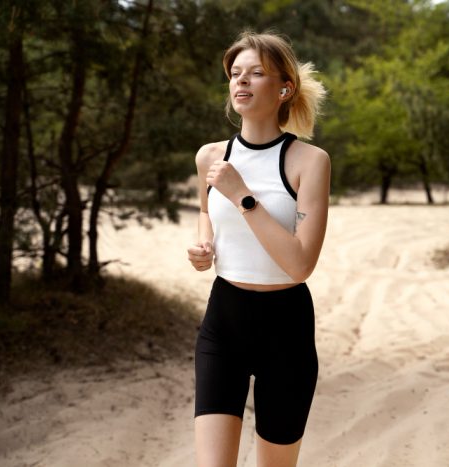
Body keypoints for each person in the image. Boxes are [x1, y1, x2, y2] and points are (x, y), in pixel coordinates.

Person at [186, 31, 330, 467]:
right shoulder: (210, 156)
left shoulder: (309, 161)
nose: (241, 82)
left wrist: (243, 196)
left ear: (285, 88)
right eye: (235, 74)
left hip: (285, 329)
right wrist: (203, 245)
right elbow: (206, 212)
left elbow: (301, 263)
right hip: (223, 321)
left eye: (255, 74)